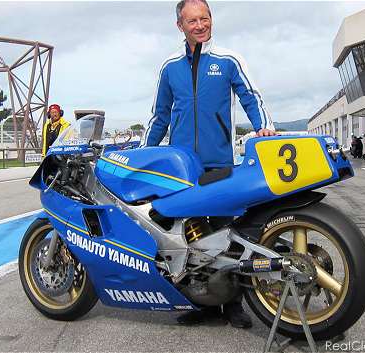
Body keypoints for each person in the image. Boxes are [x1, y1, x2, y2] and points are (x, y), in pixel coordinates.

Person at [143, 0, 276, 328]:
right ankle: (200, 301)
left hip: (220, 162)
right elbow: (159, 116)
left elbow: (250, 97)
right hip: (181, 167)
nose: (200, 25)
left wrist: (263, 125)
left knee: (224, 233)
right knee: (188, 235)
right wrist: (144, 154)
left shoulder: (228, 60)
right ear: (180, 26)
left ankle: (233, 304)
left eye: (205, 18)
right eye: (193, 20)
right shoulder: (169, 67)